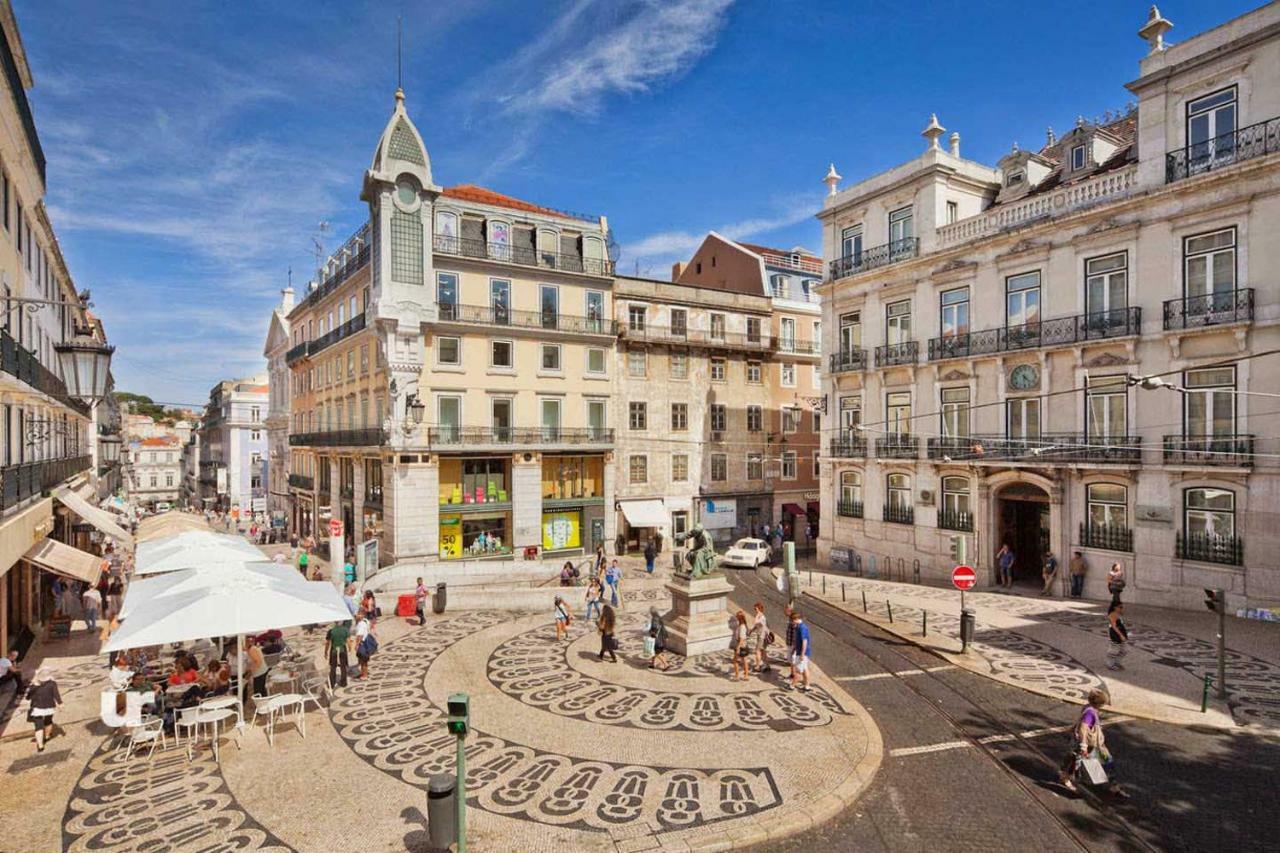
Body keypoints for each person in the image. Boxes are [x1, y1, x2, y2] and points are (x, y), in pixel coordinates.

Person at [1058, 688, 1123, 796]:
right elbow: (1083, 728)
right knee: (1106, 761)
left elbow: (1081, 723)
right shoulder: (1090, 713)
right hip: (1090, 744)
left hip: (1089, 743)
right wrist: (1083, 745)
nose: (1104, 706)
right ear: (1099, 703)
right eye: (1103, 703)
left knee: (1073, 760)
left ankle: (1064, 777)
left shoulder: (1088, 707)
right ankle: (1112, 786)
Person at [27, 669, 61, 752]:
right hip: (49, 707)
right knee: (48, 721)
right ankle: (47, 736)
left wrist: (33, 684)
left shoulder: (34, 686)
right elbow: (56, 694)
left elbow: (28, 697)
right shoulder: (52, 684)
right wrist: (60, 703)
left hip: (37, 708)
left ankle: (40, 745)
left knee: (38, 727)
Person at [789, 611, 811, 692]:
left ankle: (792, 686)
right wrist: (794, 648)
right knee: (805, 669)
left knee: (798, 670)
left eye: (792, 620)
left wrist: (802, 654)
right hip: (801, 651)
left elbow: (804, 641)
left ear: (796, 619)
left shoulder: (802, 628)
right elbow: (797, 640)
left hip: (802, 653)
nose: (791, 622)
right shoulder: (798, 627)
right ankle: (807, 686)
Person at [325, 619, 351, 689]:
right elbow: (348, 641)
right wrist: (350, 649)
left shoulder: (331, 631)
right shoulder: (345, 630)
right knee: (343, 667)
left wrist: (326, 652)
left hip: (334, 650)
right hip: (342, 650)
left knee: (333, 667)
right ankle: (343, 682)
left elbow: (328, 643)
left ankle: (332, 683)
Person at [1107, 600, 1128, 671]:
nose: (1121, 608)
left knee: (1124, 650)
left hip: (1121, 632)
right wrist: (1121, 635)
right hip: (1115, 634)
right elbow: (1114, 626)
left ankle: (1117, 662)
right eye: (1120, 607)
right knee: (1114, 650)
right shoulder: (1112, 614)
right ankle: (1111, 664)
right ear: (1115, 607)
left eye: (1122, 607)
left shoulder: (1118, 613)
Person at [750, 602, 771, 673]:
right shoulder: (761, 617)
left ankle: (758, 666)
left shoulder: (761, 617)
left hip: (762, 636)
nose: (755, 610)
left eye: (756, 609)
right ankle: (767, 665)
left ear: (759, 609)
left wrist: (757, 615)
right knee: (763, 651)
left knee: (757, 651)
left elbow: (755, 622)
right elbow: (757, 626)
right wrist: (751, 631)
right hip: (762, 635)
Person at [354, 611, 374, 680]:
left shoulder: (361, 624)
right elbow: (370, 626)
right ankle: (363, 673)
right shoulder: (365, 621)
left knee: (363, 660)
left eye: (359, 614)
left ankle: (364, 675)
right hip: (365, 643)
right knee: (362, 660)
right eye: (357, 614)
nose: (357, 616)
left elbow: (360, 635)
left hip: (363, 643)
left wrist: (357, 645)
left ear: (363, 615)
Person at [732, 611, 751, 681]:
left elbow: (742, 638)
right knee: (744, 660)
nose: (736, 618)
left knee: (735, 661)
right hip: (743, 646)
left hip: (741, 646)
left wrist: (738, 647)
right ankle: (746, 675)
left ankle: (737, 676)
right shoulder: (741, 625)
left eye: (737, 617)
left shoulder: (742, 627)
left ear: (739, 618)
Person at [783, 604, 795, 680]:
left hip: (792, 644)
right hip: (790, 643)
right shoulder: (790, 619)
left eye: (785, 610)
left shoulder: (793, 620)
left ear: (789, 611)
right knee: (790, 660)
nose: (784, 611)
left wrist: (794, 647)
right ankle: (792, 673)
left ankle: (794, 675)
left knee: (792, 660)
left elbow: (795, 634)